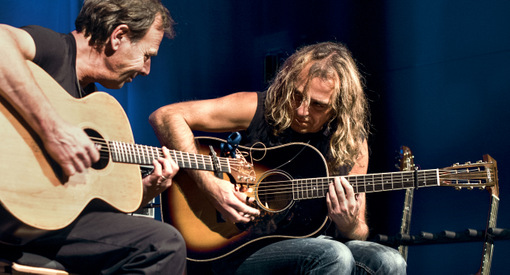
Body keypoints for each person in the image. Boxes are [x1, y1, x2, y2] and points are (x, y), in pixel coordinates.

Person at [149, 41, 407, 274]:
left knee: (390, 261)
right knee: (332, 255)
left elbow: (359, 232)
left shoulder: (351, 141)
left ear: (340, 106)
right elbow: (165, 117)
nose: (302, 110)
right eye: (296, 95)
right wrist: (210, 186)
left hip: (314, 244)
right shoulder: (258, 108)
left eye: (317, 104)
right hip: (237, 244)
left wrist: (349, 224)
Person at [0, 0, 186, 274]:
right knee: (163, 244)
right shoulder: (55, 50)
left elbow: (89, 208)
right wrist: (53, 129)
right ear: (118, 36)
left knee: (155, 240)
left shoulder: (94, 103)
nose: (146, 69)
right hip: (11, 216)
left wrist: (147, 190)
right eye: (147, 55)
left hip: (44, 222)